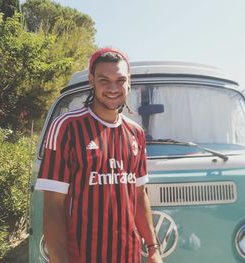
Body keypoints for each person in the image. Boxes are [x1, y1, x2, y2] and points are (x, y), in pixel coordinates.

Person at [35, 47, 163, 263]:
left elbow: (139, 194)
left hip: (129, 257)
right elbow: (53, 205)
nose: (113, 88)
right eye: (104, 80)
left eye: (120, 80)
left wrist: (153, 248)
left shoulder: (136, 133)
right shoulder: (67, 127)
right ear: (91, 81)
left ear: (128, 82)